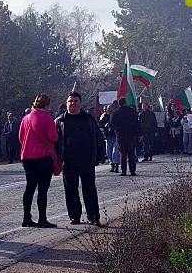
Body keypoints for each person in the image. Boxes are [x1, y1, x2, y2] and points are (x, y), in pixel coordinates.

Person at [55, 92, 106, 225]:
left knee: (89, 189)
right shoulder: (60, 121)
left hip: (87, 160)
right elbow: (55, 142)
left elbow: (98, 137)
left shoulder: (88, 119)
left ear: (80, 103)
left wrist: (101, 155)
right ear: (66, 103)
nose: (72, 103)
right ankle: (74, 216)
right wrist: (56, 160)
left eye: (75, 101)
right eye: (70, 101)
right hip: (68, 161)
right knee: (71, 190)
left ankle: (94, 216)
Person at [18, 93, 59, 228]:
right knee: (42, 189)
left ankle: (26, 217)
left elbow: (20, 137)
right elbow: (53, 137)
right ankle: (42, 219)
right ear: (46, 104)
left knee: (29, 187)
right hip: (42, 156)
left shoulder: (26, 118)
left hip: (27, 156)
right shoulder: (47, 118)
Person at [110, 97, 140, 176]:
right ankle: (132, 171)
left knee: (123, 153)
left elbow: (112, 124)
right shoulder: (132, 111)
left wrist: (116, 131)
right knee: (131, 153)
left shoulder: (115, 113)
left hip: (121, 135)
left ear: (119, 104)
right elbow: (137, 123)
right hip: (131, 135)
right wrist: (139, 134)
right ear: (125, 102)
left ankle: (124, 171)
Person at [99, 104, 120, 173]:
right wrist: (105, 126)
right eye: (108, 109)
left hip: (115, 135)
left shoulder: (116, 116)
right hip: (108, 136)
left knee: (115, 151)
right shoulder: (104, 116)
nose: (109, 110)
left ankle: (116, 165)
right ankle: (112, 164)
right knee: (108, 152)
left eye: (110, 108)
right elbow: (100, 125)